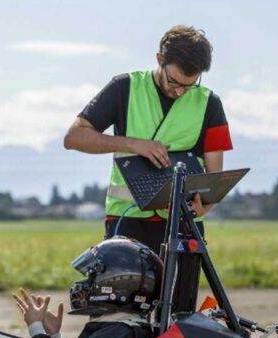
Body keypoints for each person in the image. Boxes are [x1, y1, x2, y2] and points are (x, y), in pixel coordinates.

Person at [63, 25, 233, 313]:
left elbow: (213, 178)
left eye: (189, 85)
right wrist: (132, 144)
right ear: (159, 59)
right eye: (174, 82)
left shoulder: (210, 103)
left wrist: (205, 207)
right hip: (126, 225)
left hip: (181, 226)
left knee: (178, 315)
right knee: (122, 315)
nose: (180, 91)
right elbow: (74, 137)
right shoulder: (124, 87)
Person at [12, 237, 162, 338]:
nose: (85, 284)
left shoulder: (121, 331)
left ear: (116, 285)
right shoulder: (122, 327)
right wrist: (54, 336)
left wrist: (35, 327)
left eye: (92, 277)